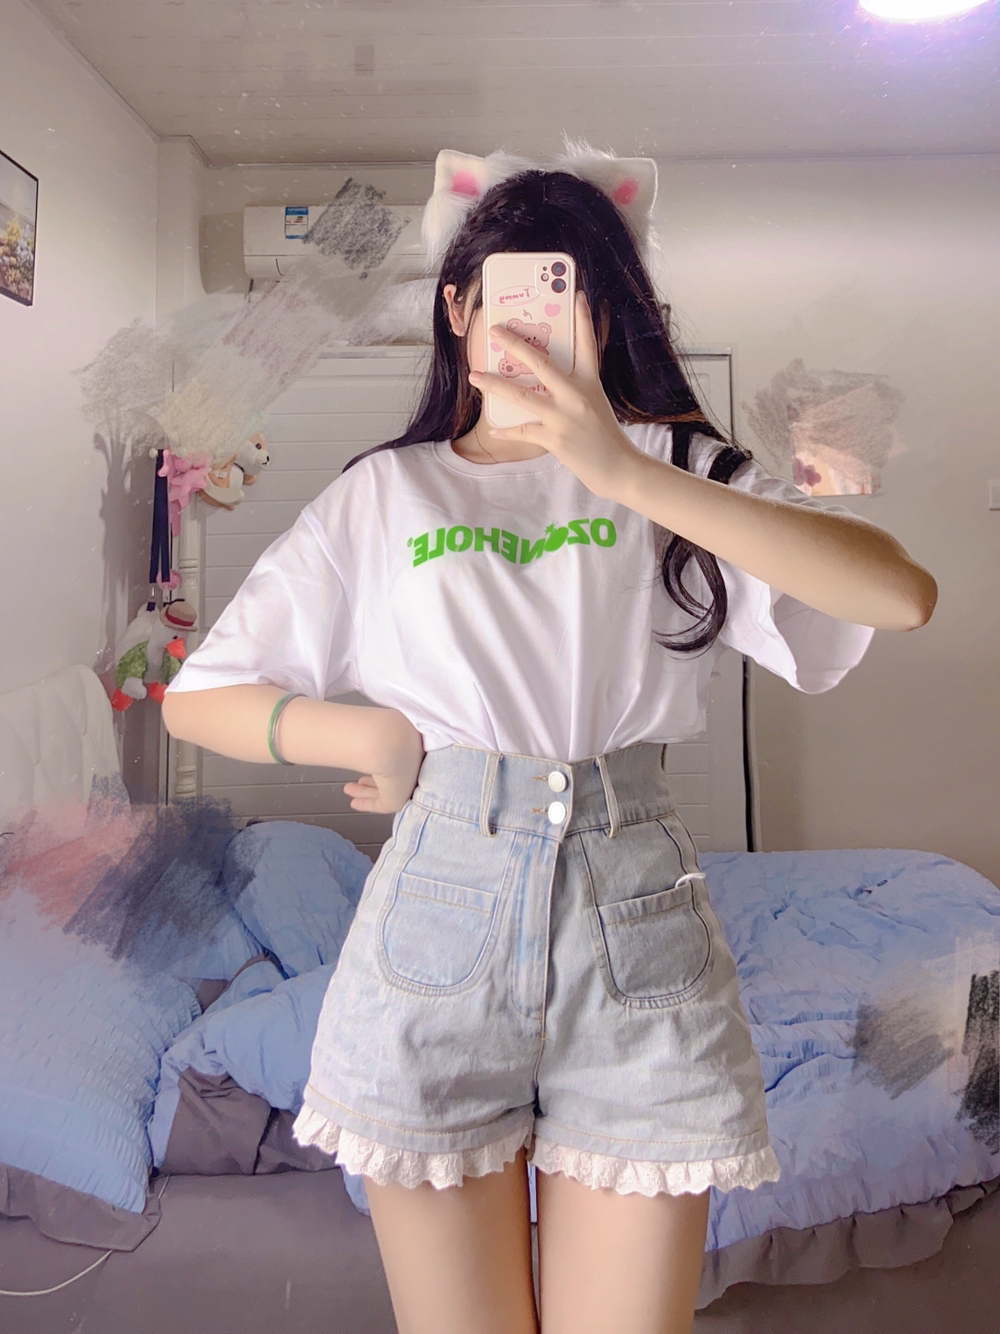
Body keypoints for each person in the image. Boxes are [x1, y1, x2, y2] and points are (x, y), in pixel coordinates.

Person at [162, 149, 937, 1334]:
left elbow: (897, 595)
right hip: (437, 911)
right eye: (510, 295)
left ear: (608, 316)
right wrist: (359, 727)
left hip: (639, 914)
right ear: (457, 309)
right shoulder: (387, 495)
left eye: (569, 294)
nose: (534, 324)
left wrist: (619, 466)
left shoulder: (675, 472)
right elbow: (200, 693)